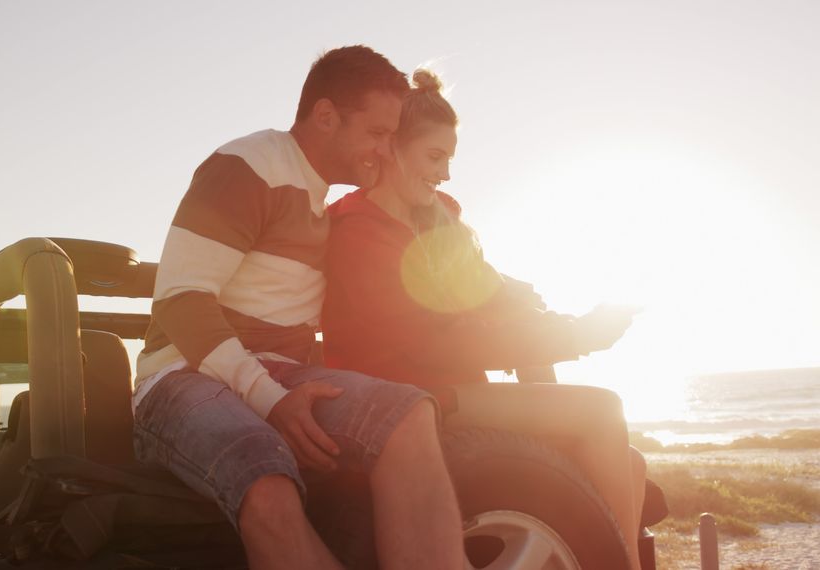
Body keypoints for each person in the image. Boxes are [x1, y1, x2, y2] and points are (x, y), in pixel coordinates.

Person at [133, 46, 466, 570]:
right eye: (378, 135)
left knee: (408, 415)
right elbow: (181, 300)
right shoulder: (247, 166)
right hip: (182, 374)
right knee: (264, 474)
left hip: (282, 373)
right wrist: (267, 397)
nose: (385, 151)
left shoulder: (326, 203)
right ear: (327, 117)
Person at [322, 68, 647, 570]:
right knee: (604, 410)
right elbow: (436, 344)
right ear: (389, 148)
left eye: (449, 159)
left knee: (629, 464)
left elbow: (490, 294)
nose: (445, 173)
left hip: (453, 392)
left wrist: (568, 322)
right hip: (404, 400)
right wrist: (573, 337)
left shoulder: (436, 219)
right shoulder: (359, 233)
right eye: (434, 156)